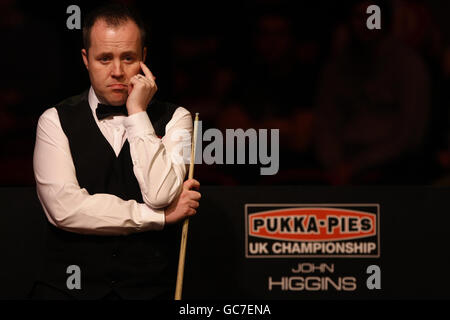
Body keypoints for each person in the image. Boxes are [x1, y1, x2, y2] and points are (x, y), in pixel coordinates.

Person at [30, 4, 201, 300]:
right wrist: (156, 218)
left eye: (128, 58)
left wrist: (137, 113)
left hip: (149, 292)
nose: (118, 71)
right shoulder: (54, 120)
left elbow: (160, 195)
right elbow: (65, 211)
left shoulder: (178, 119)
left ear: (144, 59)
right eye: (104, 58)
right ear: (86, 59)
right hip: (67, 292)